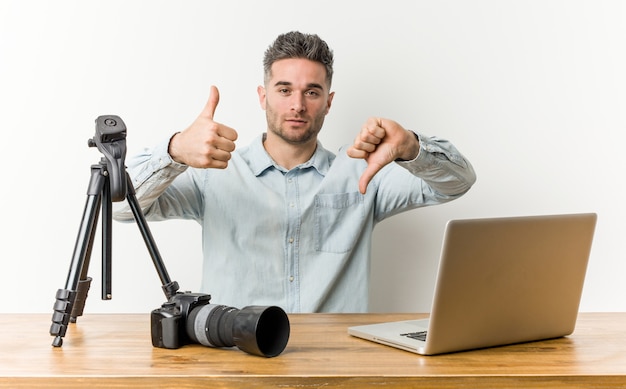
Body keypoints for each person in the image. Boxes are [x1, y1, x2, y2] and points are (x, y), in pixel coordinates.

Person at [114, 31, 476, 313]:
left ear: (329, 102)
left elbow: (457, 183)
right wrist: (174, 150)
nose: (297, 105)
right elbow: (119, 207)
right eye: (284, 89)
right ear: (262, 96)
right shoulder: (215, 173)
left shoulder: (362, 175)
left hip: (337, 365)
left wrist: (412, 146)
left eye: (312, 92)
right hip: (238, 361)